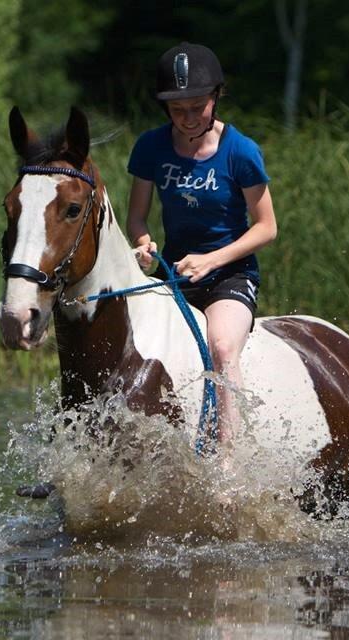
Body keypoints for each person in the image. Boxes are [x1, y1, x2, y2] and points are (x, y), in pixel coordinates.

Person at [126, 42, 277, 453]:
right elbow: (137, 218)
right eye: (178, 110)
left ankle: (228, 461)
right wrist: (143, 247)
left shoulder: (241, 152)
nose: (189, 118)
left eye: (198, 107)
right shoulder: (150, 148)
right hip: (172, 273)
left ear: (216, 97)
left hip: (229, 275)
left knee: (223, 346)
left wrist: (212, 260)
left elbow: (267, 228)